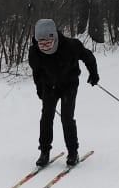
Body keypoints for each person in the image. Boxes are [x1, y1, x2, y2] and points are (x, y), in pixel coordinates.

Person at [28, 18, 99, 168]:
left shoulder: (71, 46)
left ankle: (73, 152)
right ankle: (44, 152)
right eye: (41, 43)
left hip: (69, 85)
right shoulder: (34, 52)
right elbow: (37, 73)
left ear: (54, 37)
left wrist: (93, 74)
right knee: (46, 116)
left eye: (48, 42)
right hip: (49, 86)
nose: (45, 47)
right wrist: (39, 90)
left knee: (67, 117)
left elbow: (89, 58)